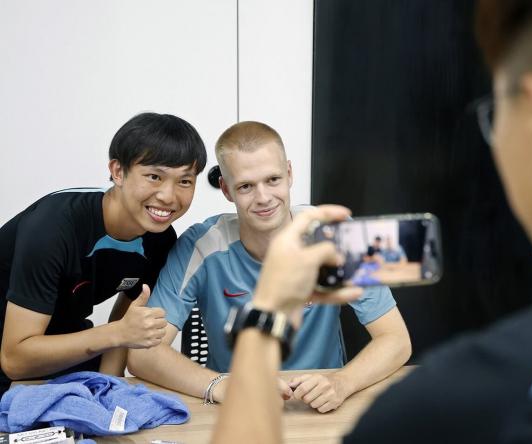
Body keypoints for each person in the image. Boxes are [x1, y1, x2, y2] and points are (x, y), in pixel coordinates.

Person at [212, 0, 532, 442]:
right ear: (230, 190)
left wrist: (264, 321)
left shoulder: (457, 403)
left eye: (493, 114)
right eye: (247, 185)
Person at [127, 121, 411, 410]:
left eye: (273, 180)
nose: (263, 198)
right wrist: (222, 385)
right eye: (246, 186)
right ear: (226, 189)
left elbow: (396, 340)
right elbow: (143, 354)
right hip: (237, 407)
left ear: (289, 174)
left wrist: (342, 382)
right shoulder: (200, 245)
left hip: (320, 409)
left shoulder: (338, 236)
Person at [0, 112, 207, 396]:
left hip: (62, 348)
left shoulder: (160, 239)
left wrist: (109, 393)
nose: (169, 196)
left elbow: (126, 324)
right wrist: (117, 333)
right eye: (154, 176)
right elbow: (14, 360)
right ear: (118, 172)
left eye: (185, 181)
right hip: (13, 353)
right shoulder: (53, 227)